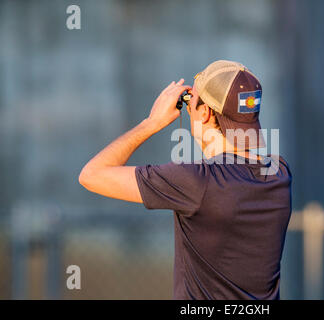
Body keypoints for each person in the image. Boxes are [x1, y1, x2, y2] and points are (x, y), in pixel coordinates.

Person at [79, 60, 292, 299]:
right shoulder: (279, 174)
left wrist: (151, 123)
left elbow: (91, 175)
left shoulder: (196, 182)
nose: (188, 109)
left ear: (205, 112)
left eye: (191, 103)